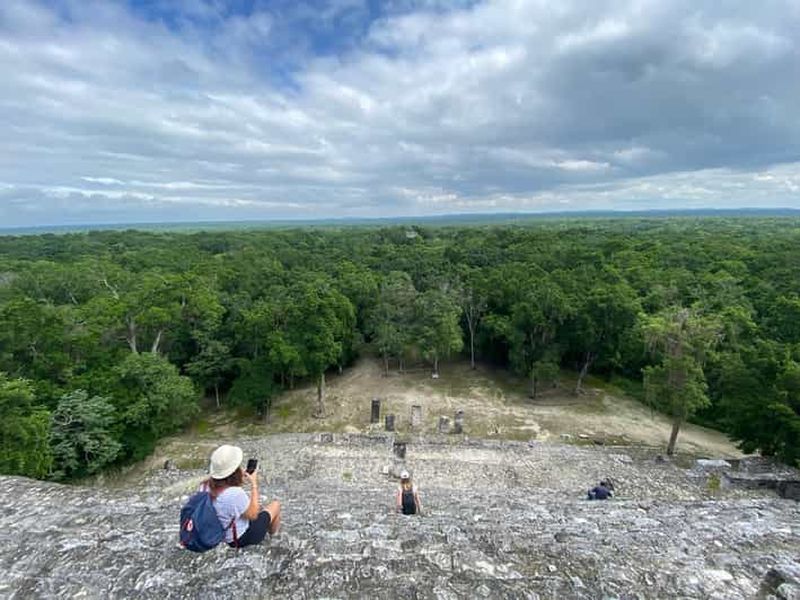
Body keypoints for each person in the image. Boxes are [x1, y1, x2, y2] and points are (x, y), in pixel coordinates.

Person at [202, 444, 281, 548]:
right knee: (276, 505)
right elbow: (253, 515)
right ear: (234, 471)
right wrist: (254, 484)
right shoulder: (235, 494)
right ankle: (274, 540)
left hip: (218, 536)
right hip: (239, 540)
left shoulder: (204, 486)